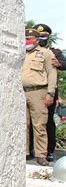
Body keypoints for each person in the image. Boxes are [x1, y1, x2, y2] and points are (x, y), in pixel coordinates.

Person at [22, 28, 57, 166]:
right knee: (23, 124)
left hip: (39, 92)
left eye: (29, 39)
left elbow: (52, 74)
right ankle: (24, 152)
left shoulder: (46, 53)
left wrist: (50, 93)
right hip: (21, 91)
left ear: (37, 40)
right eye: (25, 38)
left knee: (39, 125)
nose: (27, 41)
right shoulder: (21, 54)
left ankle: (41, 154)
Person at [33, 24, 65, 162]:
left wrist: (60, 64)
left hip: (49, 91)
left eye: (44, 36)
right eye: (39, 36)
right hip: (33, 91)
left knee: (48, 122)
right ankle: (31, 150)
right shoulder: (30, 53)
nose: (41, 38)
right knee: (31, 123)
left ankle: (50, 151)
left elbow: (64, 63)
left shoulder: (54, 52)